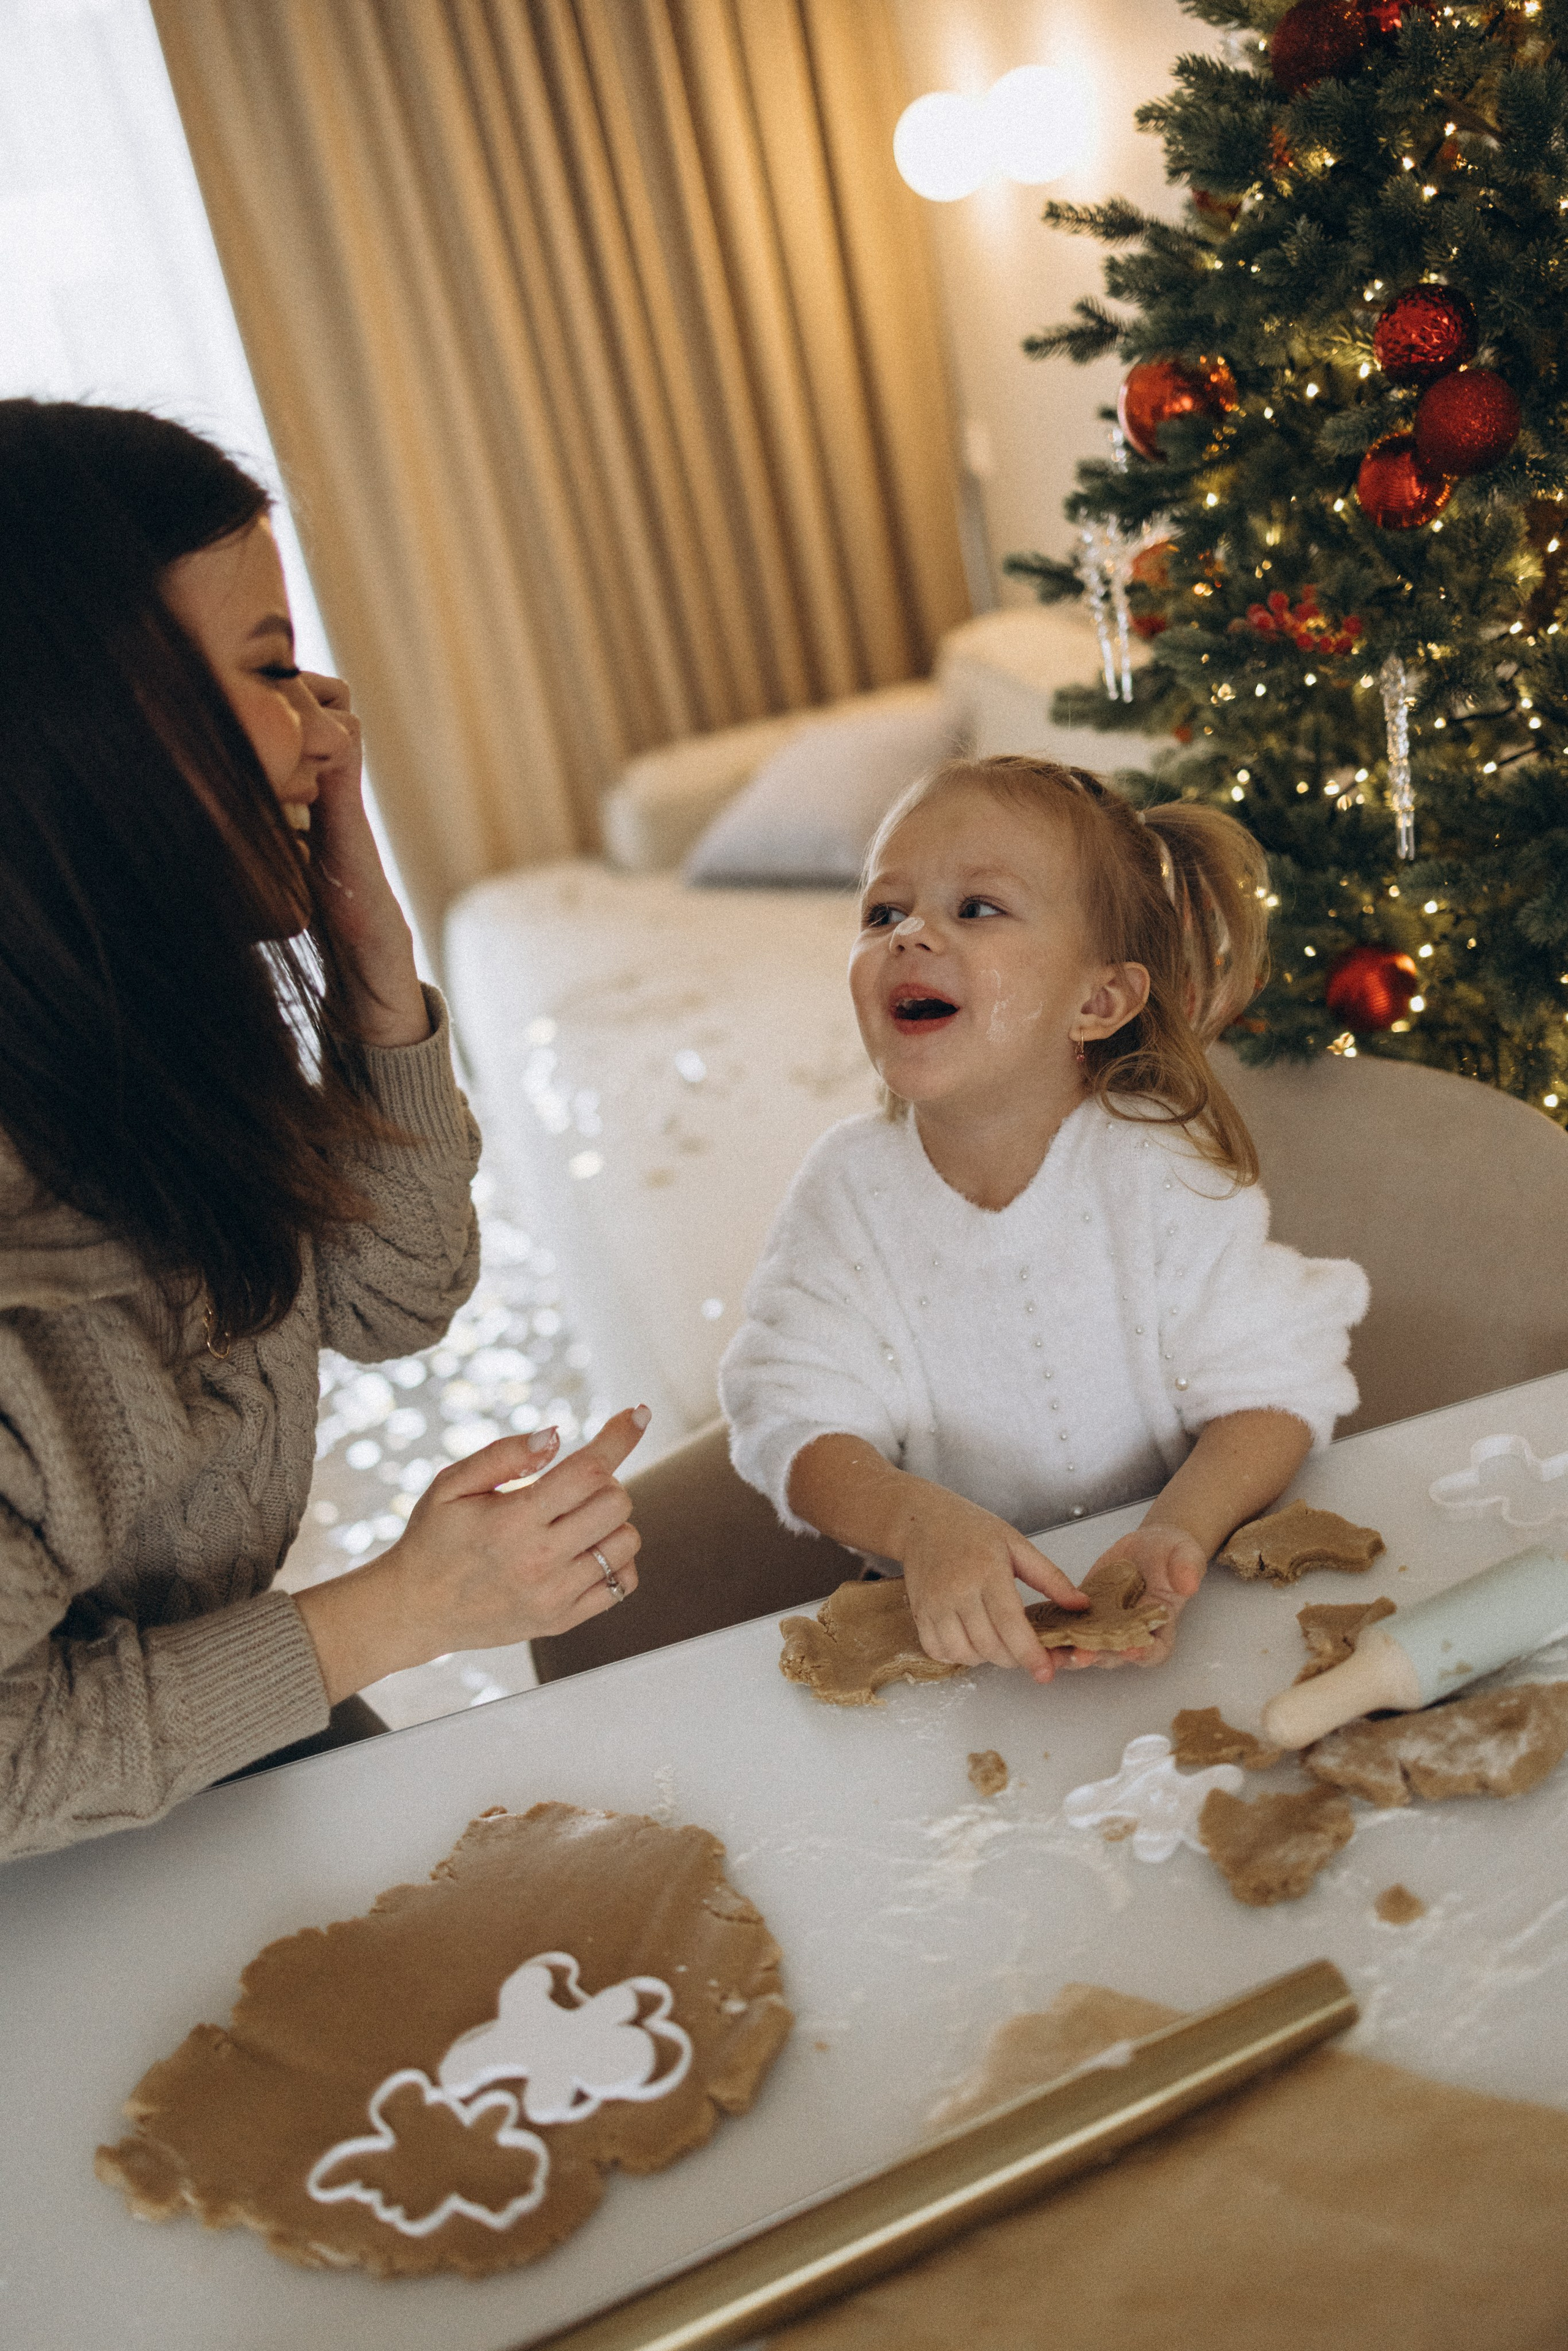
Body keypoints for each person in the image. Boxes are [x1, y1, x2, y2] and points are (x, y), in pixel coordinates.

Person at [0, 400, 646, 1863]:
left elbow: (391, 1293)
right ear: (86, 722)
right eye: (275, 670)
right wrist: (405, 1608)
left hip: (201, 1740)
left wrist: (371, 963)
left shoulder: (142, 1019)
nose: (328, 732)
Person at [719, 755, 1369, 1681]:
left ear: (1098, 1001)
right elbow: (791, 1415)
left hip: (1176, 1619)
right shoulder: (847, 1192)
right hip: (953, 1644)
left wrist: (1178, 1531)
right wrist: (916, 1523)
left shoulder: (1155, 1167)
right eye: (883, 912)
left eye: (976, 907)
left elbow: (1273, 1390)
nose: (911, 935)